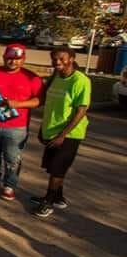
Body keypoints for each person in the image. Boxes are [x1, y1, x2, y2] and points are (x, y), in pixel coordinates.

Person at [0, 43, 43, 201]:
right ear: (4, 57)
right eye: (10, 58)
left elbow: (38, 101)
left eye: (17, 59)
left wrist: (18, 104)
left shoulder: (32, 78)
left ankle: (10, 185)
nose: (13, 62)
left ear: (23, 59)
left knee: (12, 158)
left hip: (17, 126)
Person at [32, 48, 91, 218]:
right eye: (54, 59)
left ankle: (48, 202)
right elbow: (49, 103)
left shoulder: (81, 81)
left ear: (71, 59)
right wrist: (44, 128)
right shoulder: (56, 77)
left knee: (58, 169)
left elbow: (81, 111)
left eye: (61, 59)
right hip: (52, 130)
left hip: (70, 134)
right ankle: (58, 198)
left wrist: (62, 135)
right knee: (54, 167)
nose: (57, 62)